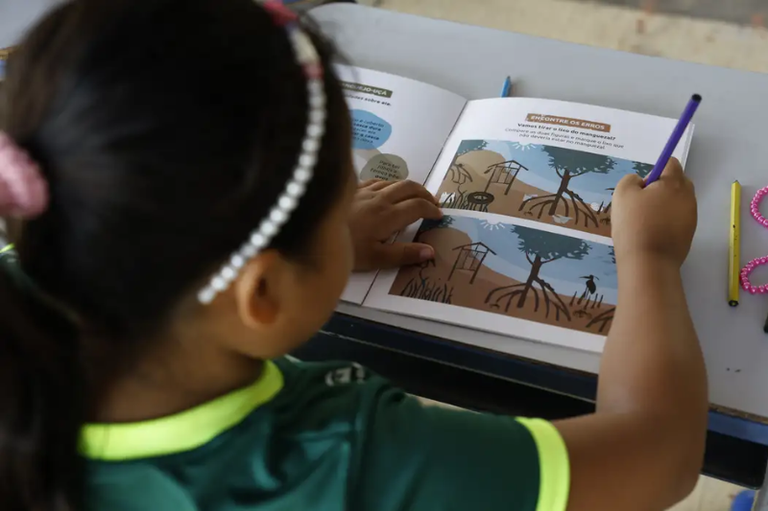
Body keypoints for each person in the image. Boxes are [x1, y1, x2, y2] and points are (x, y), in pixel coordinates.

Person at [0, 0, 707, 510]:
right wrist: (648, 257)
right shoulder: (349, 457)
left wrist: (317, 242)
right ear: (262, 294)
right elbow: (662, 454)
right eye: (341, 201)